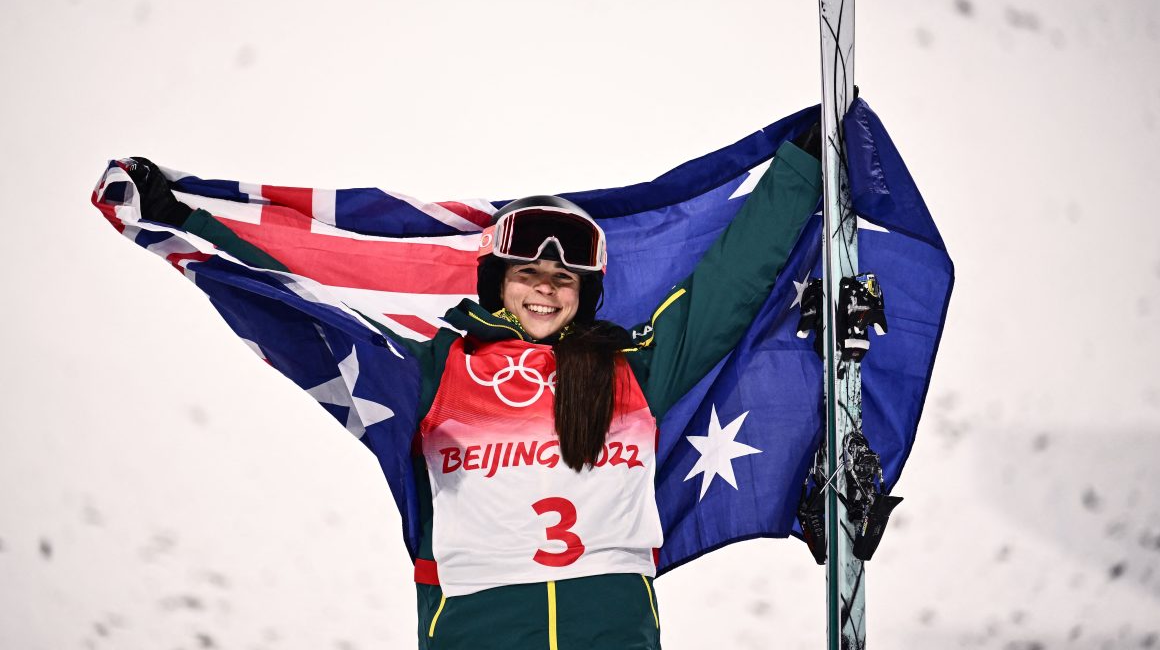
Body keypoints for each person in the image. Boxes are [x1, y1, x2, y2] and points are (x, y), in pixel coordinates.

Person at [125, 131, 821, 649]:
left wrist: (799, 171)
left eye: (563, 280)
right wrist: (185, 218)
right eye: (527, 276)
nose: (545, 290)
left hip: (614, 630)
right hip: (476, 629)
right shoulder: (431, 370)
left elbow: (726, 287)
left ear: (584, 295)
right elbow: (306, 293)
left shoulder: (630, 372)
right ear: (497, 284)